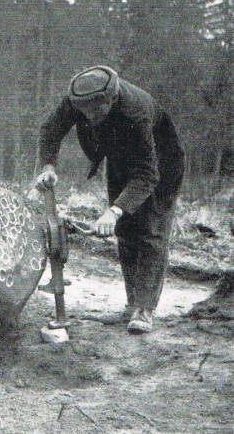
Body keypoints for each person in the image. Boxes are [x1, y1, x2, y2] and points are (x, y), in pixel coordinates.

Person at [35, 65, 185, 334]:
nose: (89, 118)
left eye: (96, 111)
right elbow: (51, 129)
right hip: (121, 159)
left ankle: (145, 308)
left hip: (161, 164)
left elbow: (147, 175)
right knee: (126, 230)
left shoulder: (135, 111)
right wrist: (48, 166)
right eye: (84, 112)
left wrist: (114, 210)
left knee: (151, 230)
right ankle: (132, 303)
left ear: (111, 100)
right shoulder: (79, 98)